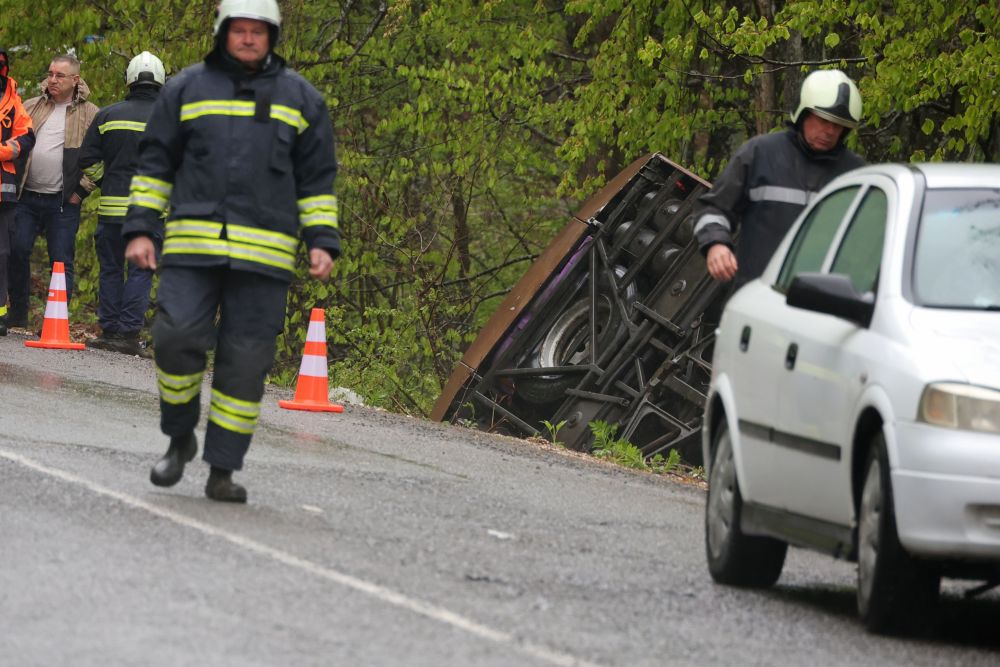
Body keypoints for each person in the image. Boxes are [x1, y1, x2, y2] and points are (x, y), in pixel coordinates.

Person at [123, 0, 341, 502]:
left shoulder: (302, 99)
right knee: (175, 338)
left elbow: (317, 181)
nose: (247, 38)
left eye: (256, 31)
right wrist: (139, 229)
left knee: (245, 364)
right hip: (192, 249)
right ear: (223, 33)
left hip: (263, 261)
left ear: (272, 37)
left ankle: (222, 469)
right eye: (238, 30)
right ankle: (180, 438)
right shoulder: (185, 88)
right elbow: (154, 165)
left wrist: (323, 241)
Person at [695, 69, 865, 289]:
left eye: (838, 125)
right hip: (757, 297)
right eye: (823, 120)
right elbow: (714, 209)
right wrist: (716, 244)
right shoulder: (759, 154)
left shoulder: (855, 175)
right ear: (803, 113)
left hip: (824, 307)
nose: (830, 131)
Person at [79, 51, 166, 356]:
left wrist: (106, 180)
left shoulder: (107, 115)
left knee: (112, 269)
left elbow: (86, 159)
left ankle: (109, 330)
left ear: (129, 80)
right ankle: (128, 335)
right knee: (141, 272)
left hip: (112, 211)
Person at [7, 54, 98, 329]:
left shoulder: (91, 113)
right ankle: (18, 313)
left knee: (60, 261)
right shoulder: (32, 106)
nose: (53, 80)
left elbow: (100, 158)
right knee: (16, 251)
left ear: (75, 79)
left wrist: (81, 192)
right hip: (26, 197)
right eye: (50, 74)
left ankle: (55, 321)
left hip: (63, 202)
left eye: (60, 75)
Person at [0, 47, 35, 336]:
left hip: (4, 193)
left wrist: (3, 151)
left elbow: (25, 138)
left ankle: (0, 313)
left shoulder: (14, 105)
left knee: (2, 254)